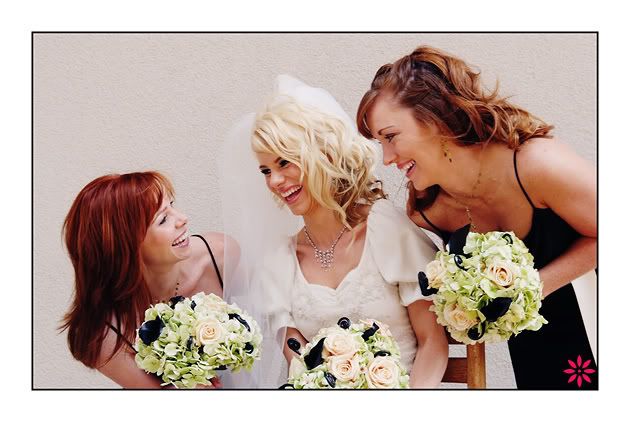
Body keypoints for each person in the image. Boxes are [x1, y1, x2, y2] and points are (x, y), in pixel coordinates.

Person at [356, 45, 597, 389]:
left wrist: (532, 288)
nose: (387, 157)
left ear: (434, 118)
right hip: (534, 351)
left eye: (391, 137)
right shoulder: (428, 211)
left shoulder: (538, 164)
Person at [230, 75, 448, 388]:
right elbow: (301, 371)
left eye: (285, 163)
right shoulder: (280, 264)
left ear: (323, 156)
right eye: (266, 170)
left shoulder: (385, 231)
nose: (274, 181)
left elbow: (433, 343)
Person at [59, 171, 231, 388]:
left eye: (172, 205)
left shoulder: (220, 255)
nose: (182, 219)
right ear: (126, 246)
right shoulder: (105, 335)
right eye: (163, 219)